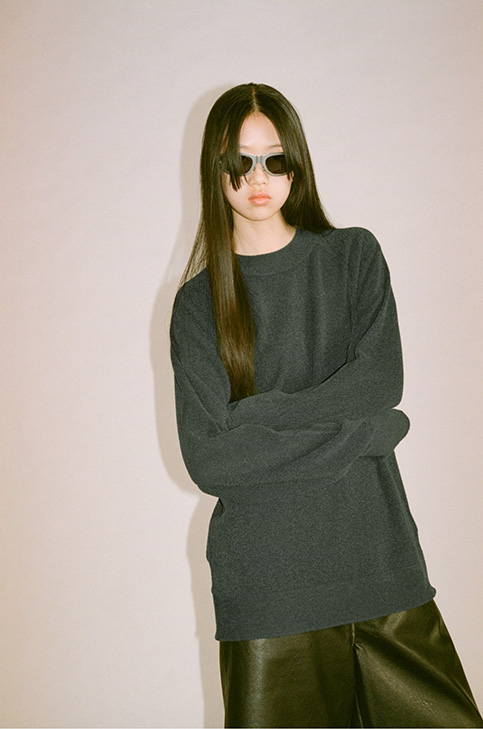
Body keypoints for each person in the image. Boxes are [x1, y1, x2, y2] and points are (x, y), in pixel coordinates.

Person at [169, 83, 482, 728]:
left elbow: (380, 386)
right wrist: (364, 435)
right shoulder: (198, 306)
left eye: (275, 158)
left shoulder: (351, 257)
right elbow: (211, 461)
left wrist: (255, 415)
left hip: (379, 562)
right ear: (215, 169)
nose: (258, 178)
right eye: (240, 161)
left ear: (297, 164)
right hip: (269, 587)